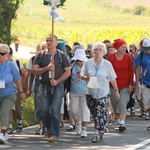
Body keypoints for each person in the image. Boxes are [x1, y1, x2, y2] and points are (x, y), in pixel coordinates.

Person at [32, 34, 70, 142]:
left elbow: (68, 72)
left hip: (57, 86)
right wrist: (47, 68)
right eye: (47, 40)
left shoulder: (61, 56)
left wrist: (57, 81)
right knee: (43, 110)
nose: (48, 43)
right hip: (43, 85)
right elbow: (34, 70)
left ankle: (54, 134)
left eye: (51, 41)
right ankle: (49, 127)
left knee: (55, 110)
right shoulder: (41, 55)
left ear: (56, 43)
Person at [81, 42, 120, 143]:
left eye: (100, 50)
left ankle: (97, 133)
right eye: (96, 50)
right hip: (90, 92)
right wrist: (87, 77)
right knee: (95, 113)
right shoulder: (88, 63)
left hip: (103, 92)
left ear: (103, 52)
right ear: (93, 52)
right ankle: (102, 127)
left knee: (99, 112)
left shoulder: (107, 64)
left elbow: (112, 79)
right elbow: (82, 76)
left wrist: (116, 91)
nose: (97, 52)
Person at [0, 44, 26, 144]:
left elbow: (17, 80)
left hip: (9, 94)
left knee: (4, 112)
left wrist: (21, 92)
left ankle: (3, 133)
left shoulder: (11, 65)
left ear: (6, 54)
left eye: (2, 53)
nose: (0, 55)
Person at [107, 39, 134, 132]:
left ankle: (122, 122)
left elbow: (131, 72)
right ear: (117, 48)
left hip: (125, 85)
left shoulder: (128, 57)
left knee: (122, 103)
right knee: (115, 104)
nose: (124, 48)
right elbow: (107, 72)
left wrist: (131, 84)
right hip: (113, 86)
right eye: (122, 47)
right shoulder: (110, 58)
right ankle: (118, 121)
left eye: (125, 46)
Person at [26, 42, 46, 135]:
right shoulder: (34, 59)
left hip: (47, 85)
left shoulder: (53, 59)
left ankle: (47, 125)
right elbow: (31, 74)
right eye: (42, 48)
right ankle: (41, 125)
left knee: (46, 107)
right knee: (38, 107)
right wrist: (29, 88)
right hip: (37, 86)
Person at [69, 49, 90, 138]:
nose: (78, 62)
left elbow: (92, 77)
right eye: (77, 60)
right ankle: (78, 121)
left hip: (85, 92)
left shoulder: (88, 67)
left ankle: (84, 129)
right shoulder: (72, 66)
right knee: (73, 110)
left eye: (80, 60)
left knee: (85, 110)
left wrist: (86, 77)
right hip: (74, 92)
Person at [7, 47, 26, 134]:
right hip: (6, 90)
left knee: (17, 109)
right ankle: (10, 126)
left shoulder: (17, 62)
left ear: (9, 54)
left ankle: (19, 119)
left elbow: (24, 74)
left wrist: (23, 87)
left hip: (17, 89)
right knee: (8, 108)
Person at [134, 38, 150, 130]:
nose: (147, 51)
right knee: (146, 104)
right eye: (146, 49)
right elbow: (138, 68)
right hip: (145, 83)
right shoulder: (141, 55)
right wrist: (137, 84)